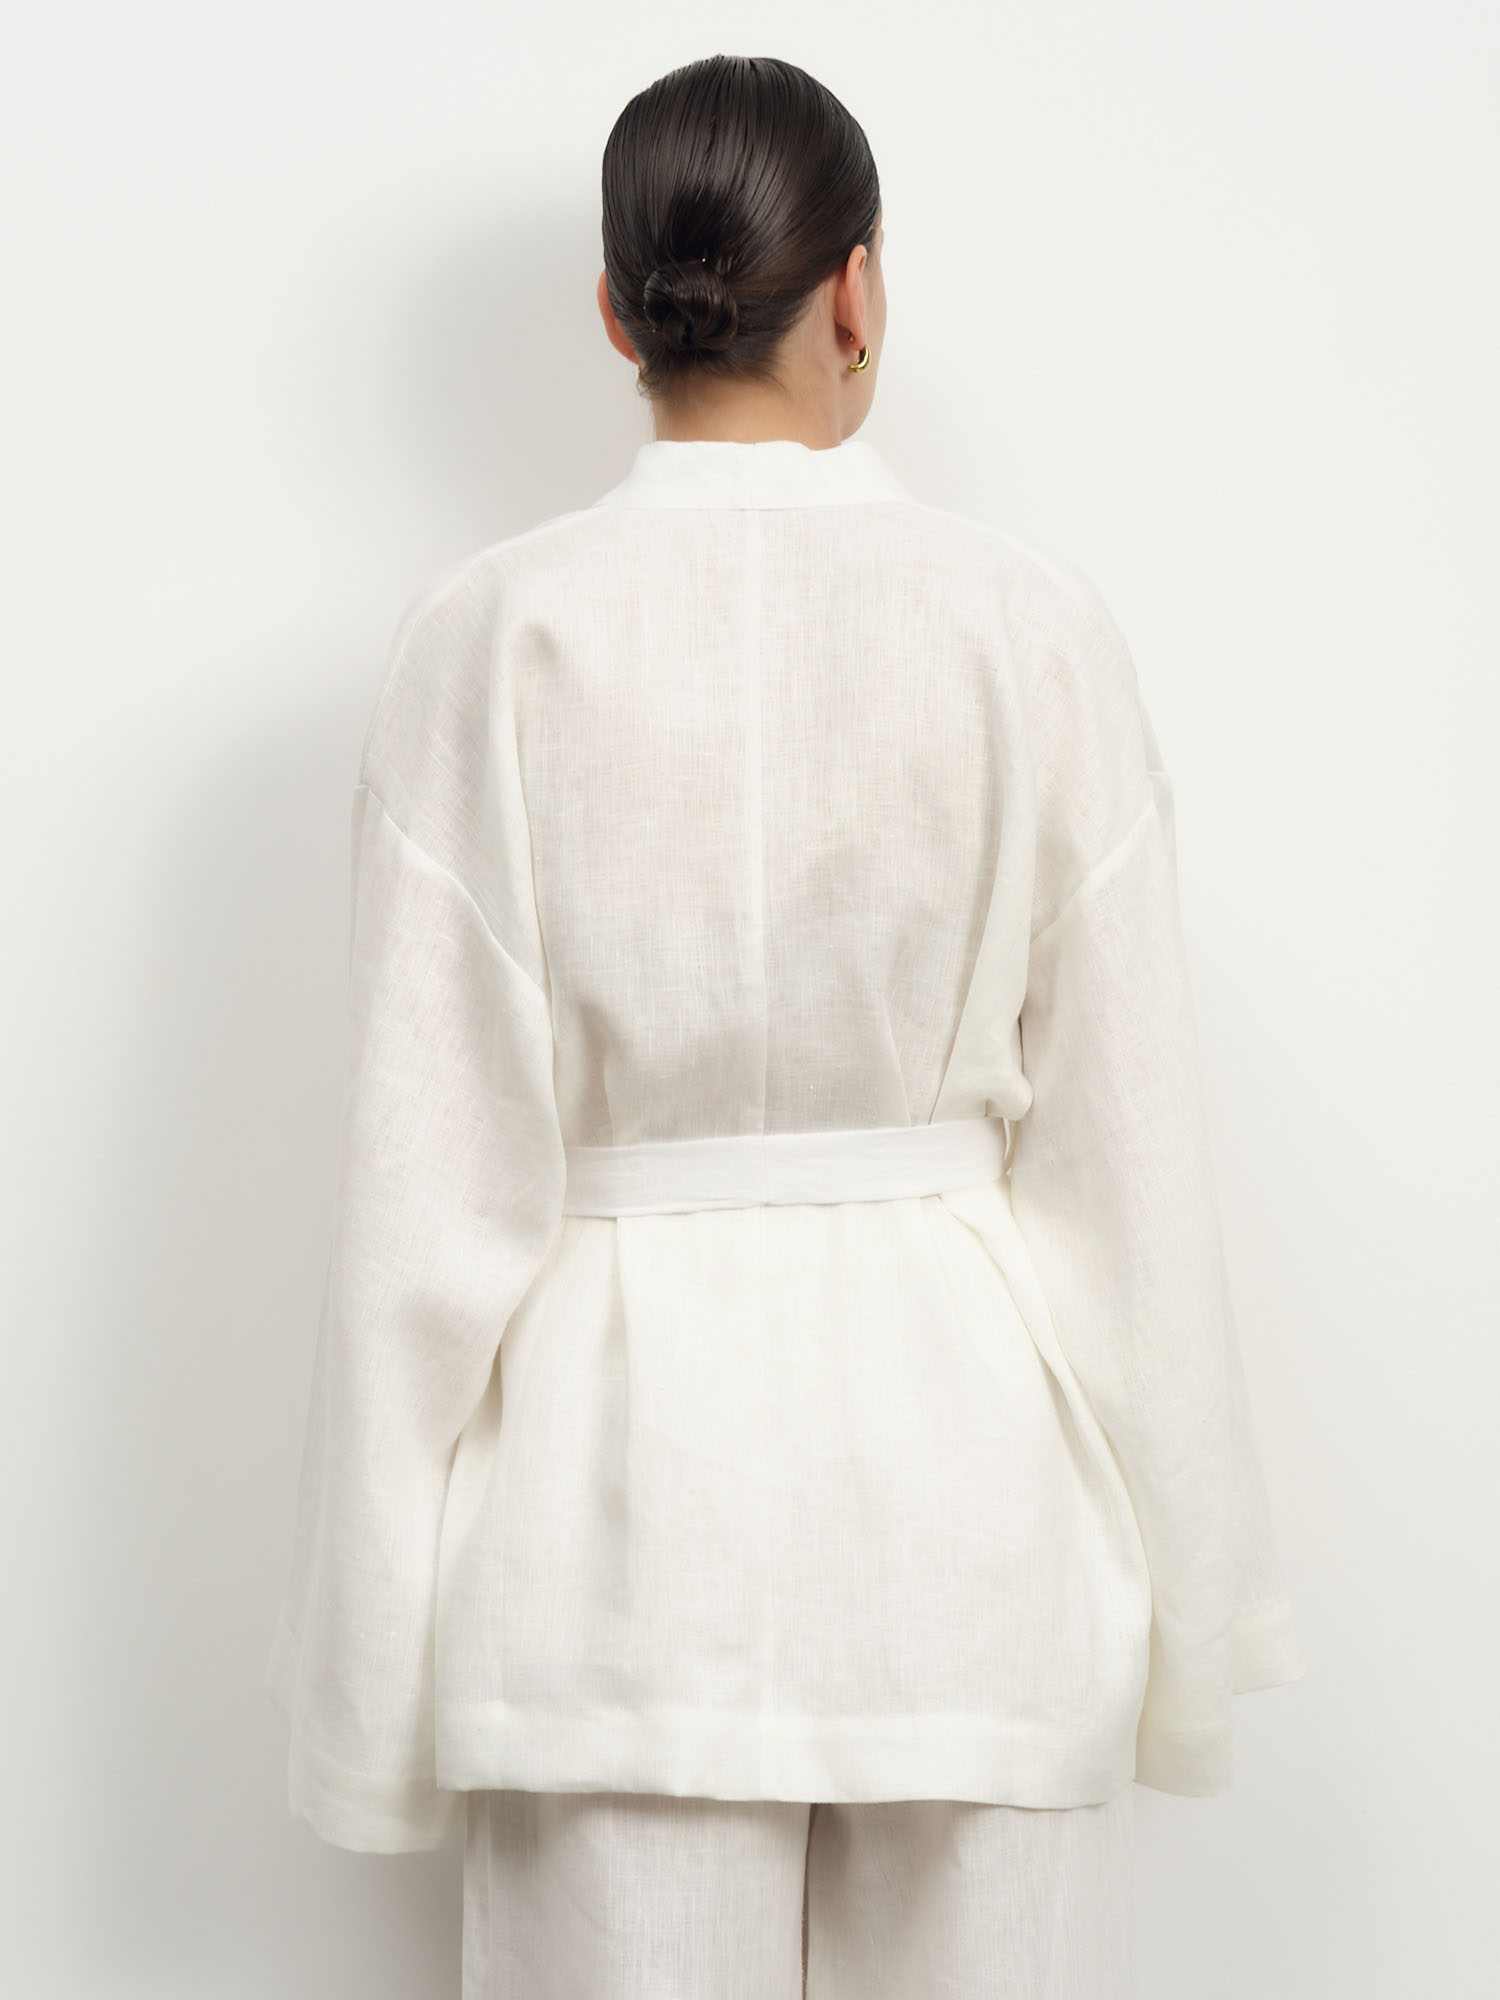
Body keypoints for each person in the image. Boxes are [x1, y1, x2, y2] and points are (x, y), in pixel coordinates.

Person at [264, 52, 1306, 2000]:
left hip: (607, 1545)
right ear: (857, 290)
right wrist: (1198, 1607)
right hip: (973, 1533)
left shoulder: (489, 637)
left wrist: (366, 1681)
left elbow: (420, 1204)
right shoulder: (1026, 627)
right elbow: (1130, 1159)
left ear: (615, 310)